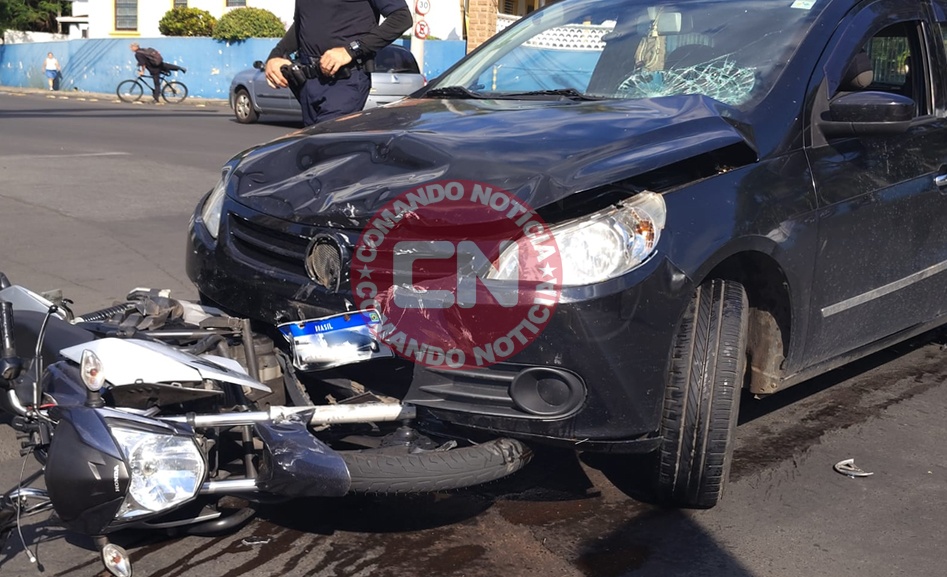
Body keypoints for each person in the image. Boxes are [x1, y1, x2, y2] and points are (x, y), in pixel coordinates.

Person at [263, 0, 413, 126]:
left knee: (327, 145)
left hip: (344, 82)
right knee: (313, 147)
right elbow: (301, 25)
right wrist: (276, 55)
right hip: (308, 83)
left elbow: (401, 17)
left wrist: (350, 50)